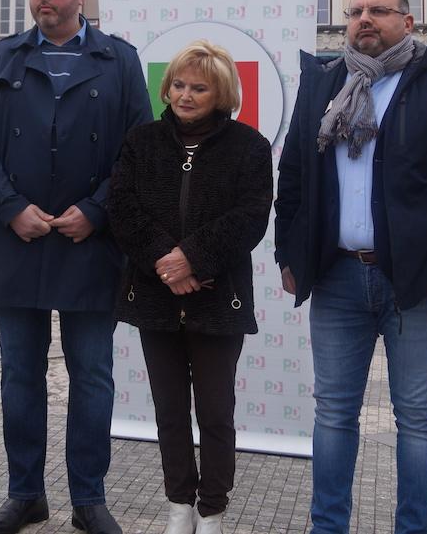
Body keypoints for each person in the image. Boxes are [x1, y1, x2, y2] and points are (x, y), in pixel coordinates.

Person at [274, 0, 427, 534]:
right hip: (335, 278)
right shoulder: (323, 85)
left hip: (418, 284)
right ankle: (327, 527)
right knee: (333, 414)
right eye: (355, 12)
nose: (364, 19)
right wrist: (290, 253)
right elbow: (296, 179)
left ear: (408, 21)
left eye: (378, 10)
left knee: (418, 419)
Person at [0, 0, 154, 534]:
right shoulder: (4, 57)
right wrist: (9, 205)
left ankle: (89, 499)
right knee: (20, 375)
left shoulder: (118, 59)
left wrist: (96, 211)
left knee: (92, 375)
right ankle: (25, 494)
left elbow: (138, 149)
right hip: (17, 240)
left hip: (90, 245)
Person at [107, 40, 272, 534]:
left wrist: (193, 259)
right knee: (169, 411)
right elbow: (122, 208)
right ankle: (179, 504)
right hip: (157, 294)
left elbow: (250, 217)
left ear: (220, 93)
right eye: (179, 84)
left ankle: (212, 509)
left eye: (198, 87)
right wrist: (167, 262)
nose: (185, 95)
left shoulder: (250, 146)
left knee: (217, 412)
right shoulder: (141, 141)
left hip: (219, 298)